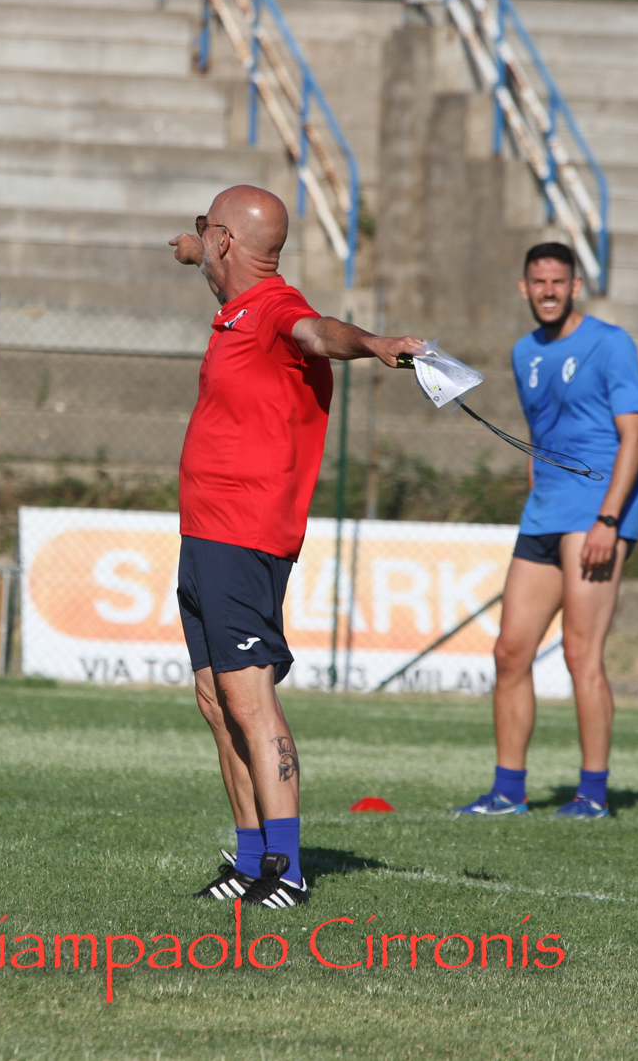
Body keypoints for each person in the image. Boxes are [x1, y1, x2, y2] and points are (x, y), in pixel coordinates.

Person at [169, 185, 423, 906]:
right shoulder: (236, 305)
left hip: (244, 534)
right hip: (206, 532)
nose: (198, 239)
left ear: (227, 240)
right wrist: (191, 249)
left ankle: (286, 868)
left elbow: (317, 332)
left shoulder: (276, 308)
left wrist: (375, 345)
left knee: (249, 701)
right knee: (216, 701)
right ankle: (251, 859)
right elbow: (221, 273)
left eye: (206, 230)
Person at [457, 241, 638, 821]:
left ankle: (592, 795)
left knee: (580, 652)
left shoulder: (611, 344)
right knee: (510, 651)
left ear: (575, 287)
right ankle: (507, 792)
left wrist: (609, 520)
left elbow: (635, 437)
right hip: (544, 513)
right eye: (538, 282)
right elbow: (539, 440)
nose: (548, 291)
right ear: (524, 287)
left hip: (595, 512)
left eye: (558, 282)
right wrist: (536, 496)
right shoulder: (524, 352)